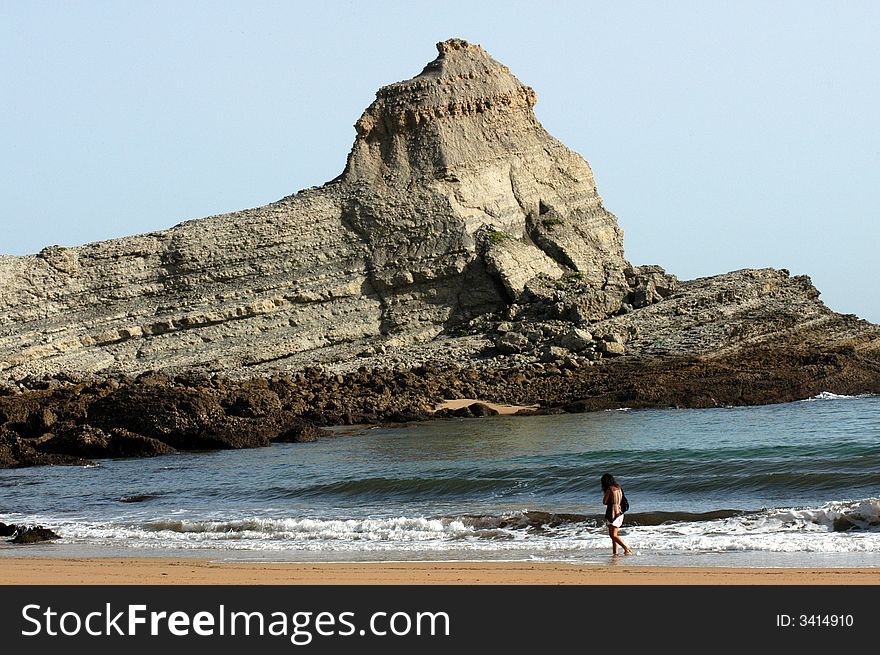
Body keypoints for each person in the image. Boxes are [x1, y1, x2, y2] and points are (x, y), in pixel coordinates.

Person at [601, 473, 633, 556]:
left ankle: (627, 548)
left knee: (613, 535)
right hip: (620, 512)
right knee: (614, 535)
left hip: (612, 514)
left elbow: (604, 502)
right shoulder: (619, 488)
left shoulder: (609, 489)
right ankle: (615, 553)